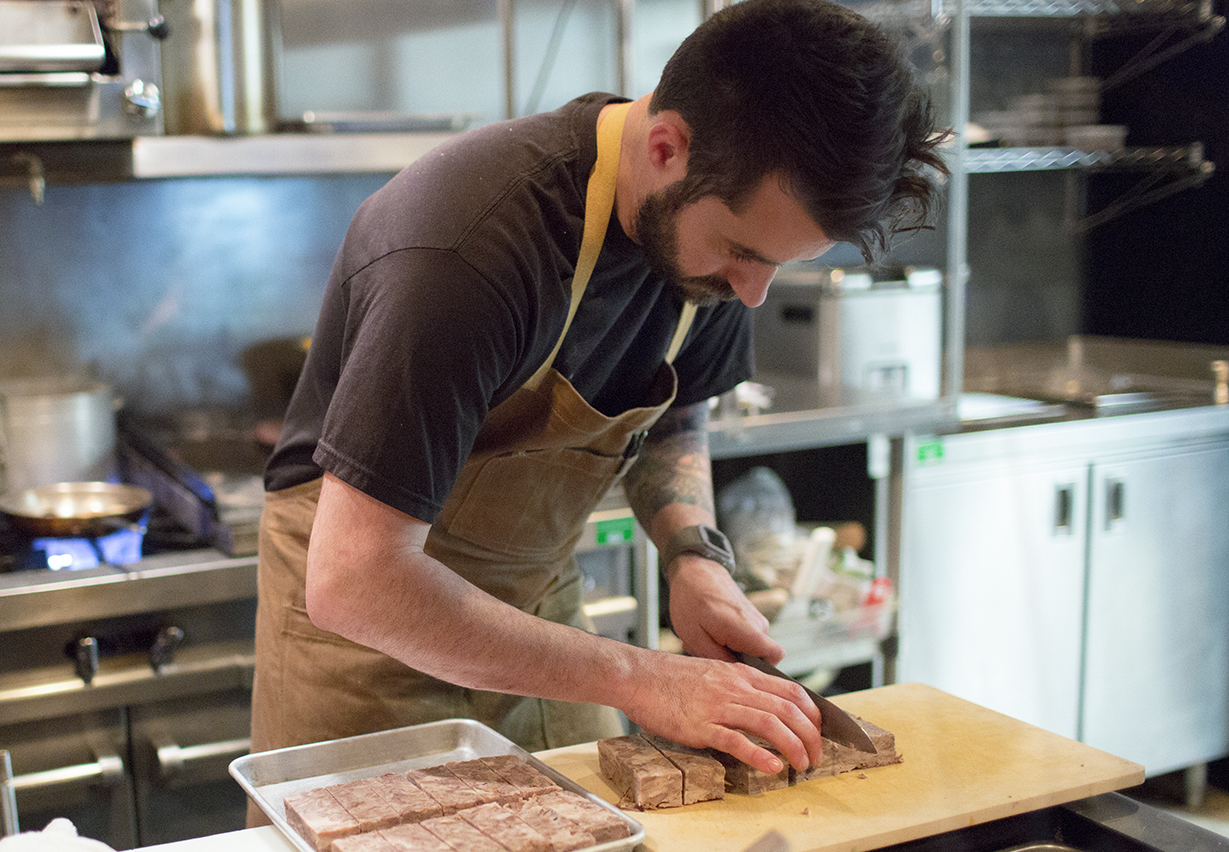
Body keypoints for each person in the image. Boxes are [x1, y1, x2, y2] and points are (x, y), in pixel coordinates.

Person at [251, 0, 947, 786]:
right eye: (741, 253)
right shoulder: (466, 250)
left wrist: (695, 559)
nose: (754, 294)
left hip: (539, 620)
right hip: (363, 651)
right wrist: (639, 677)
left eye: (779, 265)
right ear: (665, 147)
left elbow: (678, 408)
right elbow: (354, 579)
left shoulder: (713, 244)